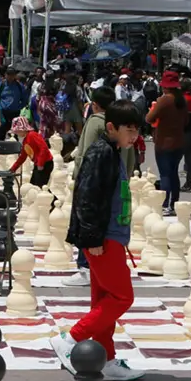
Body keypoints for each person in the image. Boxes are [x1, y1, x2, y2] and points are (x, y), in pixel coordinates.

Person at [51, 100, 145, 381]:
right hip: (103, 237)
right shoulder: (101, 153)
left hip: (110, 235)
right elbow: (86, 197)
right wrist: (92, 238)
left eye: (137, 131)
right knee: (122, 296)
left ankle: (107, 358)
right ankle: (70, 339)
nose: (135, 137)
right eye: (129, 130)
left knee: (103, 301)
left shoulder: (112, 151)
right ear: (111, 127)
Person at [65, 86, 126, 288]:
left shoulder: (94, 123)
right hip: (113, 181)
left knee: (92, 215)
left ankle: (84, 267)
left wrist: (79, 172)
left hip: (98, 178)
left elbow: (87, 150)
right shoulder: (117, 124)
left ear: (94, 104)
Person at [146, 70, 188, 215]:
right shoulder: (182, 100)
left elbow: (149, 118)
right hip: (179, 141)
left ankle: (165, 204)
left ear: (164, 86)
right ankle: (174, 203)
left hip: (164, 142)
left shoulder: (164, 100)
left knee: (165, 174)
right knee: (174, 173)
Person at [9, 116, 53, 187]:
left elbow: (44, 148)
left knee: (40, 186)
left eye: (18, 131)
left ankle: (52, 198)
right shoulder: (25, 141)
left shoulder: (32, 135)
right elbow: (22, 157)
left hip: (45, 163)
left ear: (23, 129)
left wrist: (40, 163)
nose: (17, 133)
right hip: (38, 164)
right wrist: (13, 169)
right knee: (34, 186)